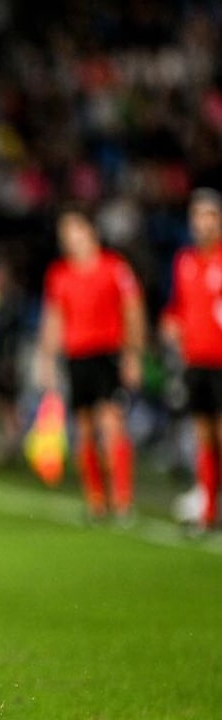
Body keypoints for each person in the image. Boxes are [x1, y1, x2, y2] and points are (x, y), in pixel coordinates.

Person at [35, 207, 146, 521]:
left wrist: (133, 354)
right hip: (77, 356)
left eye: (75, 230)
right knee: (84, 428)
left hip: (107, 353)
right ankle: (96, 500)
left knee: (111, 424)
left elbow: (132, 310)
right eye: (65, 234)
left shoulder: (114, 267)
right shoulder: (60, 274)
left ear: (90, 231)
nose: (70, 238)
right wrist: (47, 357)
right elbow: (54, 317)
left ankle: (122, 500)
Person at [161, 188, 222, 533]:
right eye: (198, 216)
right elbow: (176, 308)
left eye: (210, 215)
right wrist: (171, 325)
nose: (203, 223)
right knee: (204, 436)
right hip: (196, 361)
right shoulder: (185, 261)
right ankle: (208, 510)